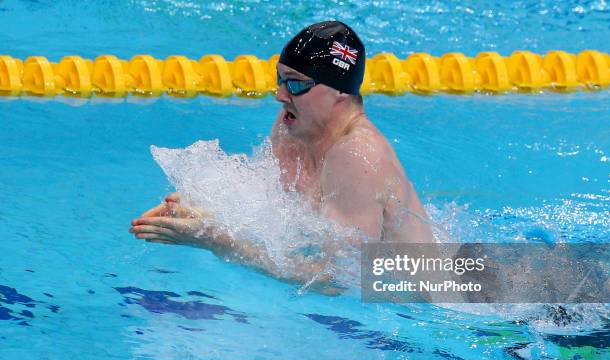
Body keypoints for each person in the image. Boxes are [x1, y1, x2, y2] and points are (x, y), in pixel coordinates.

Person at [129, 21, 434, 284]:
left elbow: (338, 279)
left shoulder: (358, 156)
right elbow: (269, 197)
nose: (280, 94)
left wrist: (216, 240)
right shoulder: (296, 123)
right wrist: (200, 209)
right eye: (280, 79)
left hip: (430, 301)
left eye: (296, 85)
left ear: (340, 91)